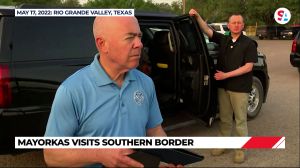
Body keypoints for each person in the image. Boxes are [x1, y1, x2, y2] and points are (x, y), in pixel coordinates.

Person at [43, 16, 170, 167]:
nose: (139, 44)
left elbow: (154, 130)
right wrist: (99, 154)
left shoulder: (146, 83)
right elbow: (52, 154)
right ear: (102, 44)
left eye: (139, 36)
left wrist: (169, 157)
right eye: (130, 37)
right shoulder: (71, 90)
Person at [189, 9, 258, 163]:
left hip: (240, 88)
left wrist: (226, 75)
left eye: (239, 22)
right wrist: (198, 16)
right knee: (225, 119)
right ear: (228, 25)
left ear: (243, 25)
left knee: (240, 120)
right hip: (223, 87)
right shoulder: (225, 39)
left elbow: (248, 67)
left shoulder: (249, 43)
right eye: (233, 22)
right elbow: (207, 30)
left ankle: (240, 150)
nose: (236, 25)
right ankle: (224, 144)